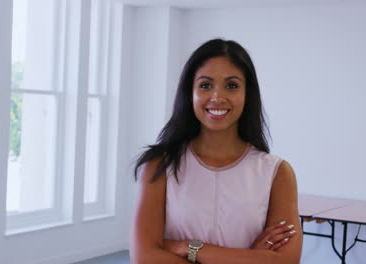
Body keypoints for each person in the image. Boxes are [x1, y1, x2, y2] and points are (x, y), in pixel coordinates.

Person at [129, 39, 303, 264]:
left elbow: (286, 261)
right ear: (189, 92)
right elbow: (144, 258)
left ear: (247, 93)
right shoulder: (160, 165)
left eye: (231, 85)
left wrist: (191, 248)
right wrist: (251, 258)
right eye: (205, 85)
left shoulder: (277, 173)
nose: (217, 97)